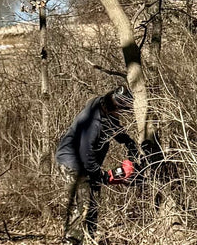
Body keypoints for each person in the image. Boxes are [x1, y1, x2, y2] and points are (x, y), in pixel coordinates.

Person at [56, 87, 140, 244]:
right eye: (121, 110)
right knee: (82, 206)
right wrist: (100, 174)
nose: (121, 114)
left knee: (93, 204)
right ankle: (71, 241)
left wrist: (129, 143)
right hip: (73, 163)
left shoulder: (104, 111)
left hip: (86, 163)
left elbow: (115, 130)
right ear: (113, 107)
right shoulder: (92, 123)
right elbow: (85, 154)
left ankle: (89, 239)